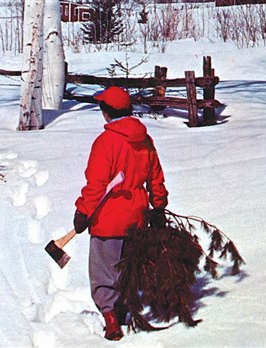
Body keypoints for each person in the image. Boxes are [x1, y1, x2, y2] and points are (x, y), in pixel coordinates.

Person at [73, 86, 169, 341]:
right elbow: (156, 176)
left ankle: (111, 318)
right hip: (137, 215)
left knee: (105, 271)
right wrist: (158, 206)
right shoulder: (144, 140)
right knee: (128, 266)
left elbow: (96, 185)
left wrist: (83, 211)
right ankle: (126, 308)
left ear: (107, 112)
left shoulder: (105, 142)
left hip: (108, 217)